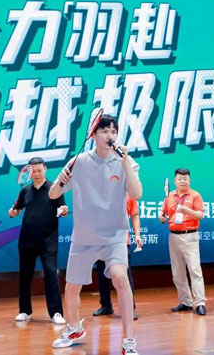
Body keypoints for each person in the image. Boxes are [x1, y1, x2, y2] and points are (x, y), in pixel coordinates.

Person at [48, 114, 142, 354]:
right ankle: (73, 328)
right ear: (93, 135)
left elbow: (136, 194)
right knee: (71, 287)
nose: (110, 136)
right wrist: (61, 181)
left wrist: (125, 162)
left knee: (120, 278)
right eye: (105, 131)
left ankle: (129, 341)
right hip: (84, 237)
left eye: (113, 131)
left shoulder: (125, 162)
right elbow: (53, 194)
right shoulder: (79, 161)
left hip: (115, 236)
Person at [8, 157, 68, 324]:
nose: (37, 174)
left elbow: (62, 210)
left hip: (48, 240)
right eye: (33, 171)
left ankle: (56, 313)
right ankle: (24, 311)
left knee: (51, 274)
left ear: (45, 169)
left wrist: (63, 211)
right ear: (29, 172)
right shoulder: (25, 191)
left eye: (40, 170)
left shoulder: (54, 189)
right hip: (27, 240)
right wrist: (12, 212)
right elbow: (16, 209)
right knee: (25, 276)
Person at [159, 168, 207, 315]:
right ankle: (185, 302)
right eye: (179, 179)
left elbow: (200, 215)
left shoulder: (195, 195)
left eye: (185, 179)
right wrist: (161, 217)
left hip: (190, 236)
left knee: (195, 270)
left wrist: (187, 210)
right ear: (175, 181)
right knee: (177, 273)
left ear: (189, 180)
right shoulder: (169, 196)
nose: (182, 181)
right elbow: (164, 214)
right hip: (173, 237)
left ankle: (200, 303)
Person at [93, 198, 144, 320]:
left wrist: (137, 235)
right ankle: (106, 306)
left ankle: (129, 309)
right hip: (102, 241)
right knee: (102, 274)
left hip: (121, 241)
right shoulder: (101, 193)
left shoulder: (129, 195)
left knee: (125, 275)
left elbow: (135, 215)